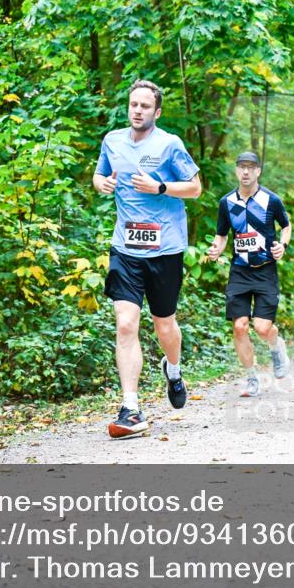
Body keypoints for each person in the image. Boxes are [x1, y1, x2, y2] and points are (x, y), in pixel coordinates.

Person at [93, 80, 202, 438]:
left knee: (164, 325)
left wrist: (160, 187)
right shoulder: (113, 140)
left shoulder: (170, 145)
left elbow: (195, 188)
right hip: (125, 247)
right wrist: (101, 183)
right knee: (126, 323)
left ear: (156, 112)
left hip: (165, 249)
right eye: (133, 104)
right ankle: (131, 408)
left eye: (144, 106)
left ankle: (173, 368)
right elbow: (100, 173)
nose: (137, 110)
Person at [206, 152, 292, 397]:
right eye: (241, 167)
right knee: (240, 326)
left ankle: (277, 348)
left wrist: (281, 246)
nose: (245, 172)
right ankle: (251, 379)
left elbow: (286, 226)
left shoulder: (271, 200)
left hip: (265, 271)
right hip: (239, 272)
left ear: (258, 171)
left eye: (250, 167)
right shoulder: (227, 202)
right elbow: (222, 234)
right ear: (236, 171)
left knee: (263, 328)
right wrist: (216, 248)